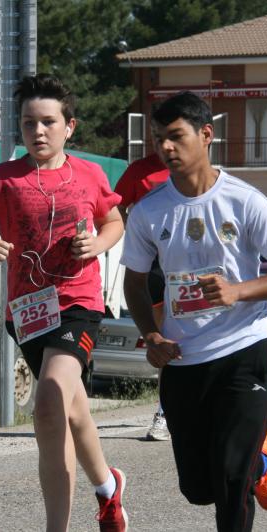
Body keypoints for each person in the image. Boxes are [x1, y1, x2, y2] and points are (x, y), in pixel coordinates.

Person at [122, 91, 267, 531]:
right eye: (159, 138)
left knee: (229, 481)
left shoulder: (245, 201)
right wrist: (152, 337)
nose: (166, 148)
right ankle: (262, 455)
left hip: (246, 348)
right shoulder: (149, 212)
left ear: (206, 135)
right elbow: (134, 283)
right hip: (185, 359)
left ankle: (246, 465)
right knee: (199, 488)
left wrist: (238, 291)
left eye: (176, 136)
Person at [0, 74, 128, 531]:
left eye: (48, 122)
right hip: (28, 314)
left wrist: (97, 245)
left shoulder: (89, 174)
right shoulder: (4, 179)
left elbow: (114, 222)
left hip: (79, 302)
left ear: (69, 126)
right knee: (72, 409)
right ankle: (109, 489)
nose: (38, 131)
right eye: (29, 122)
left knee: (50, 400)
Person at [114, 153, 171, 441]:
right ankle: (164, 412)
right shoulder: (139, 171)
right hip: (154, 265)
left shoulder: (191, 167)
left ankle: (186, 407)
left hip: (187, 263)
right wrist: (135, 231)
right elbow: (114, 207)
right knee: (163, 337)